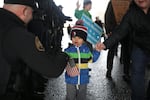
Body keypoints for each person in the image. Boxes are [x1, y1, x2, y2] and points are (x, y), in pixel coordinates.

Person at [0, 0, 69, 99]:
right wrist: (66, 54)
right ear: (25, 11)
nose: (32, 17)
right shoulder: (18, 34)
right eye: (32, 13)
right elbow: (52, 69)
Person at [97, 0, 150, 100]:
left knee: (126, 54)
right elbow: (120, 29)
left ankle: (126, 73)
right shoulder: (131, 12)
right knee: (137, 72)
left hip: (132, 39)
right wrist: (105, 44)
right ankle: (110, 70)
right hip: (138, 44)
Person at [64, 21, 100, 100]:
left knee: (82, 97)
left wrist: (97, 51)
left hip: (83, 79)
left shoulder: (86, 50)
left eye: (79, 38)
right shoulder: (68, 51)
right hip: (70, 79)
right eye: (74, 37)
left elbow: (92, 59)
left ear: (84, 40)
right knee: (70, 97)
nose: (76, 39)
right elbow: (62, 62)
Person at [104, 1, 119, 78]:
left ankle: (126, 71)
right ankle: (109, 69)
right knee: (112, 50)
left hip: (122, 29)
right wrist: (108, 30)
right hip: (114, 30)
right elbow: (107, 15)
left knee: (126, 50)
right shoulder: (112, 2)